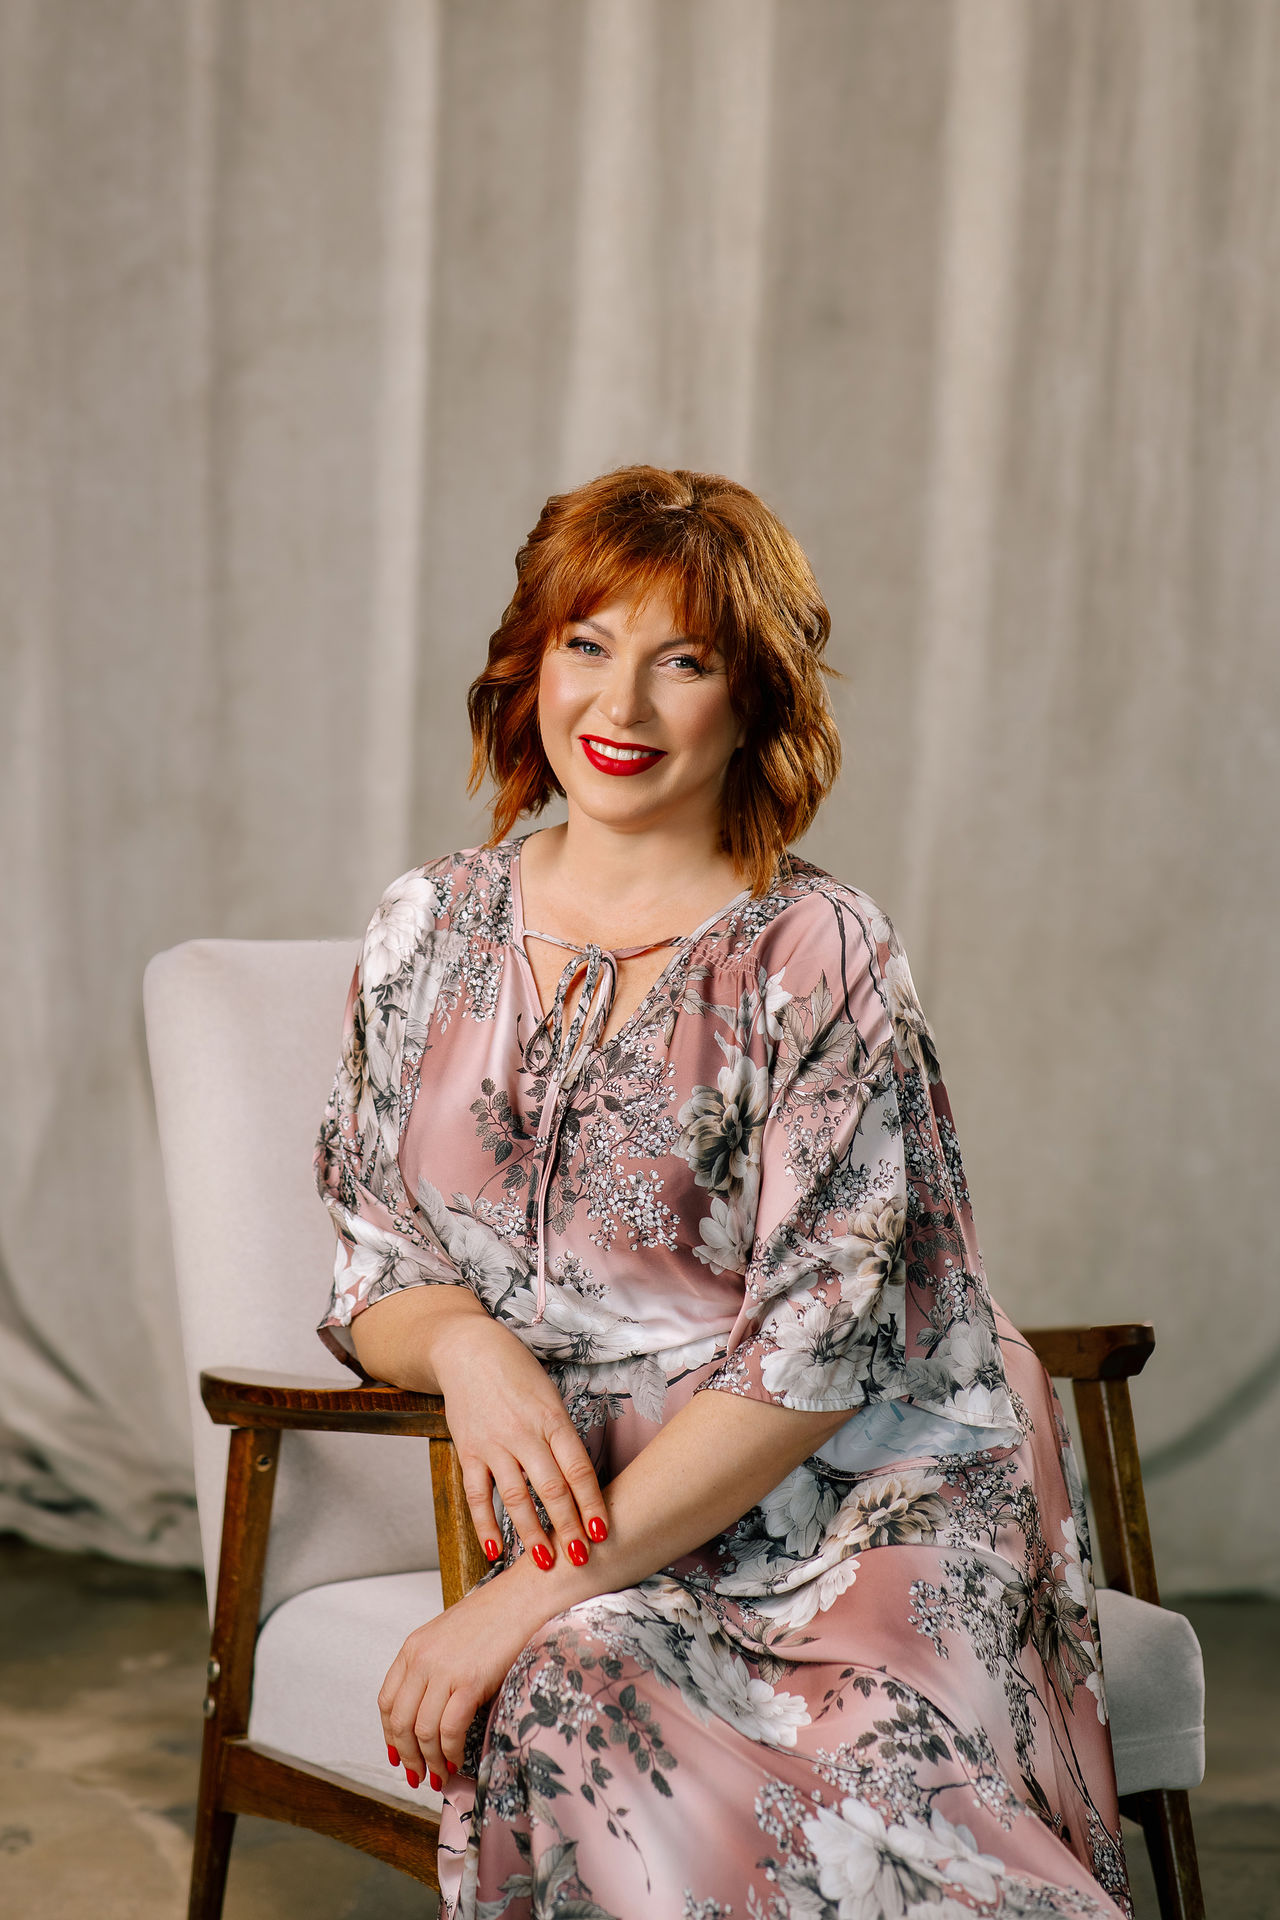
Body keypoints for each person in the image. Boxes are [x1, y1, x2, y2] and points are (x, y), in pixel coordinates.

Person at [314, 466, 1132, 1920]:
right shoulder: (424, 926)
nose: (619, 704)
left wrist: (523, 1592)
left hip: (858, 1514)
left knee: (811, 1760)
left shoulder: (816, 947)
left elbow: (822, 1349)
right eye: (587, 643)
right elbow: (374, 1256)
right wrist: (467, 1349)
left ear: (752, 701)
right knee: (575, 1689)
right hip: (604, 1531)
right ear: (530, 661)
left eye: (682, 662)